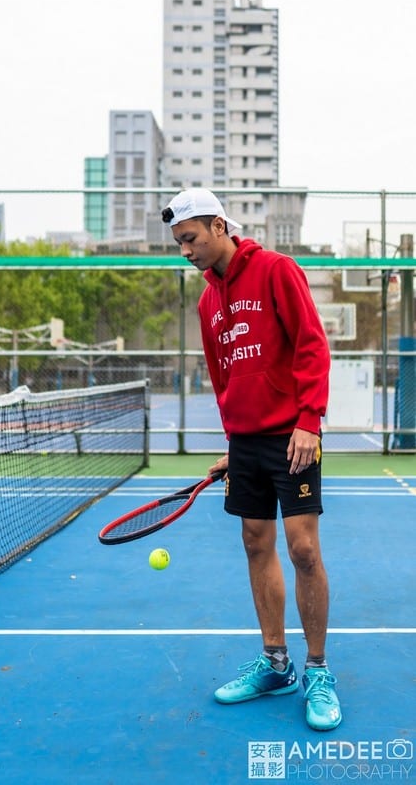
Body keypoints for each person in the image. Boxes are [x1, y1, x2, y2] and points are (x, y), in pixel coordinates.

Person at [162, 187, 341, 732]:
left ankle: (316, 670)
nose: (185, 251)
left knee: (304, 549)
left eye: (189, 239)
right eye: (178, 243)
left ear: (219, 226)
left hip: (292, 436)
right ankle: (275, 663)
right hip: (246, 442)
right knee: (255, 543)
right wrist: (233, 442)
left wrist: (309, 419)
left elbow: (312, 344)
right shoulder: (206, 301)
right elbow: (224, 377)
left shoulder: (276, 270)